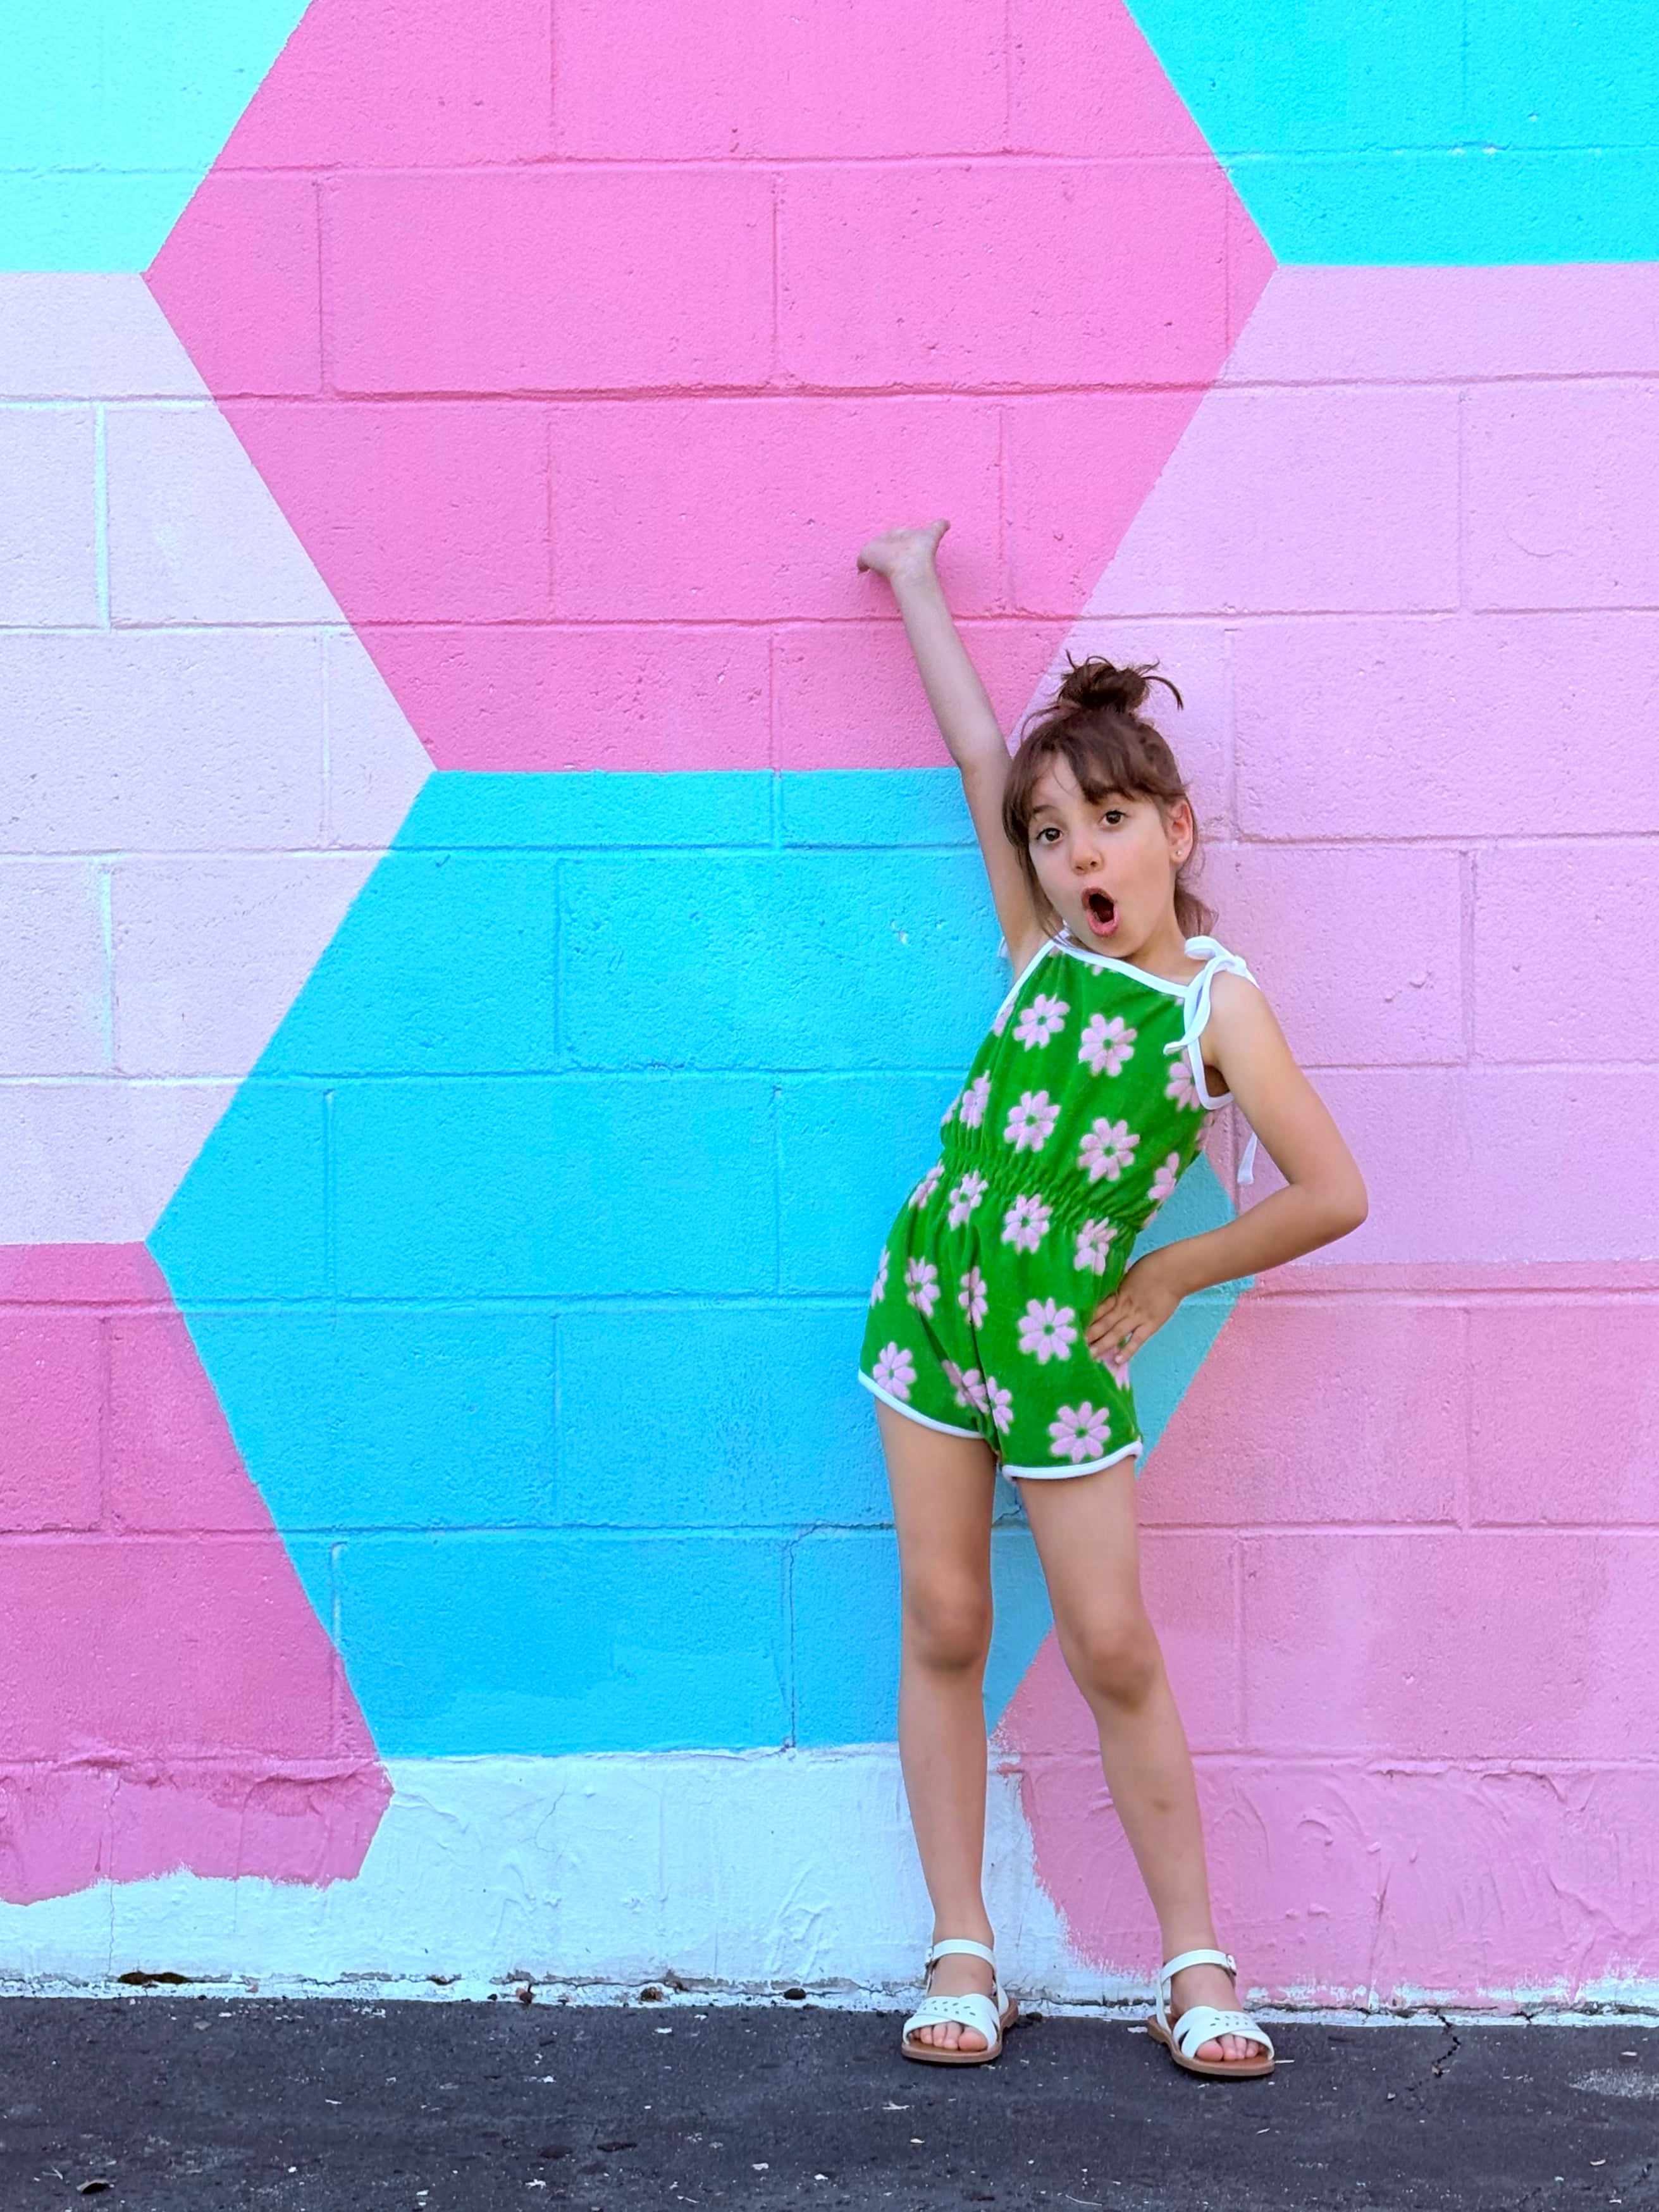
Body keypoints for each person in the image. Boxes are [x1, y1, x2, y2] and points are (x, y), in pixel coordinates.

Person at [854, 519, 1369, 2075]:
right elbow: (969, 751)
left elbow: (1329, 1190)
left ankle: (1194, 1964)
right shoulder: (1032, 950)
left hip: (1062, 1350)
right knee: (945, 1618)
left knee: (1110, 1644)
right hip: (931, 1313)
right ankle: (962, 1945)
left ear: (1177, 832)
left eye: (1111, 822)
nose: (1082, 857)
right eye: (1054, 833)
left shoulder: (1218, 1007)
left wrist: (1169, 1267)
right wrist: (919, 588)